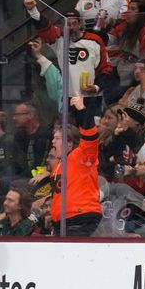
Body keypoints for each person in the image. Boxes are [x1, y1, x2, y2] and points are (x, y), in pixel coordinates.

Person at [48, 96, 102, 236]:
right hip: (63, 223)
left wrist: (82, 111)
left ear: (69, 143)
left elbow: (90, 138)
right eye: (54, 138)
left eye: (58, 138)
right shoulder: (58, 166)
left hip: (81, 221)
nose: (53, 142)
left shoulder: (82, 156)